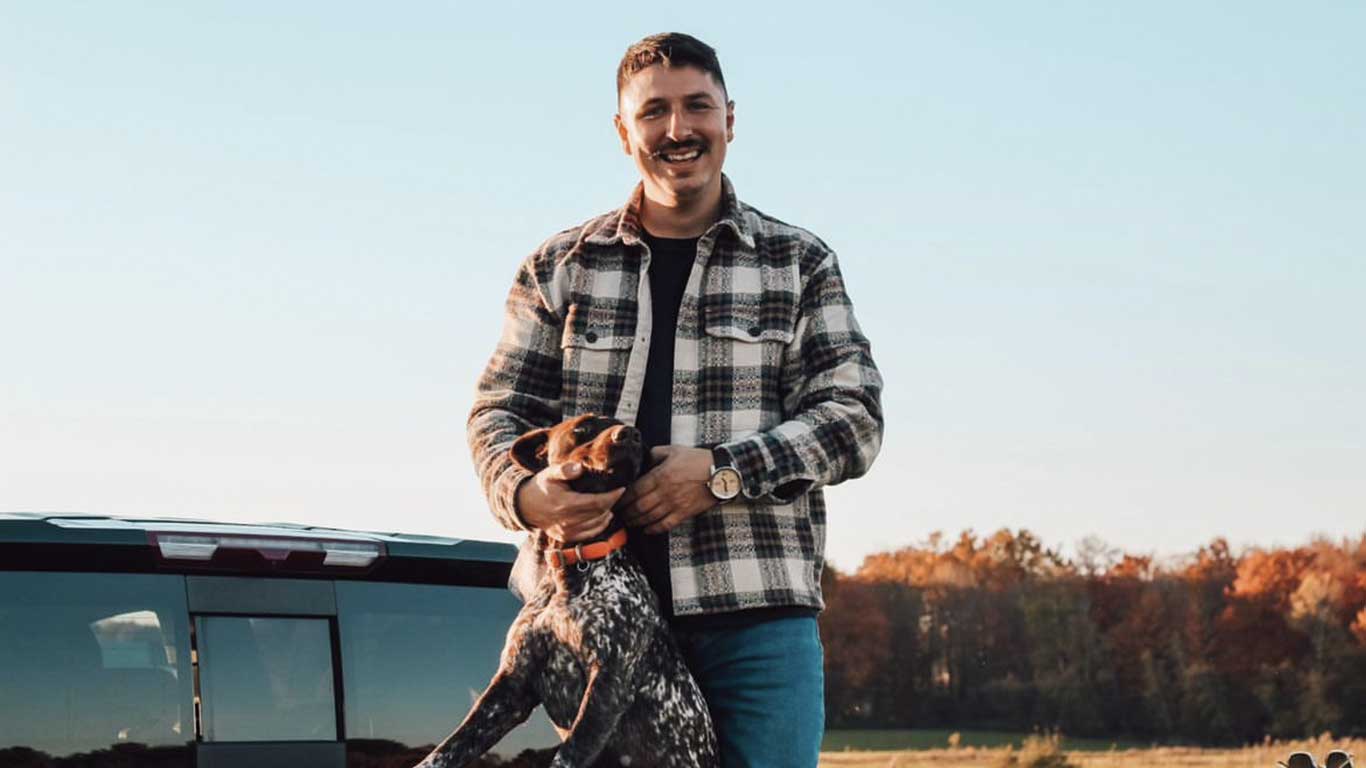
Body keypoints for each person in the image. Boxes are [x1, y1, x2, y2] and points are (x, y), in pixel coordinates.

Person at [468, 32, 883, 768]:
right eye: (654, 111)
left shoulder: (799, 262)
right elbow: (498, 413)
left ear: (731, 118)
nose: (678, 128)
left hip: (753, 623)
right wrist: (529, 496)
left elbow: (853, 418)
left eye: (698, 106)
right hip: (579, 619)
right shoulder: (559, 267)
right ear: (623, 132)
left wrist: (721, 473)